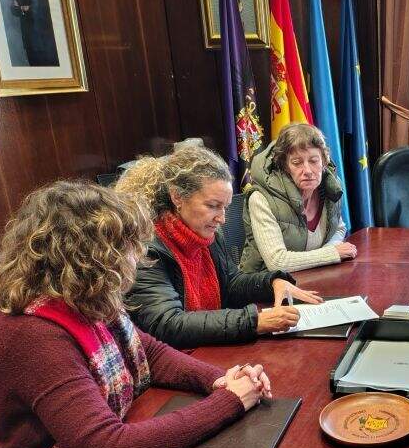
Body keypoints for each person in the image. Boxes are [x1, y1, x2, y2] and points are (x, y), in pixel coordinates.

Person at [0, 181, 272, 448]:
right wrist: (229, 402)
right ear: (90, 258)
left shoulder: (84, 299)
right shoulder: (33, 334)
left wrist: (220, 379)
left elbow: (149, 352)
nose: (136, 258)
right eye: (126, 247)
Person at [117, 146, 321, 349]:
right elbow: (167, 324)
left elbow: (231, 283)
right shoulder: (144, 249)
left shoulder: (207, 234)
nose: (222, 219)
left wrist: (272, 283)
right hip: (177, 357)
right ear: (177, 197)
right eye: (213, 206)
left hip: (209, 348)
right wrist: (254, 322)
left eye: (225, 207)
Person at [240, 123, 357, 273]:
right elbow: (277, 262)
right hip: (265, 282)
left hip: (313, 275)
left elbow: (339, 228)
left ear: (324, 162)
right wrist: (331, 254)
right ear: (285, 167)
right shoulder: (260, 198)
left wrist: (327, 254)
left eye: (314, 161)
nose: (307, 170)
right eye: (297, 163)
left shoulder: (330, 187)